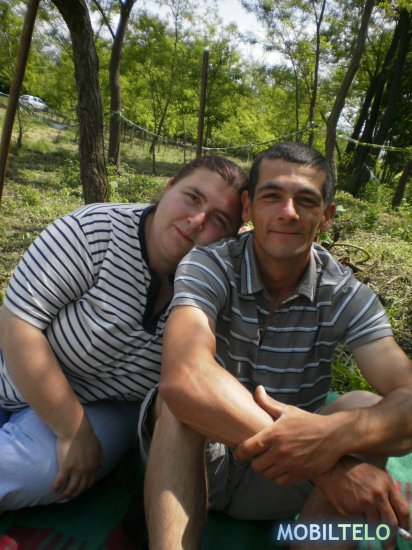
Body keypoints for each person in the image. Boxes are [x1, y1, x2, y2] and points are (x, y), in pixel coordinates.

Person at [142, 141, 412, 549]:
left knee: (362, 406)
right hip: (202, 456)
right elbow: (184, 376)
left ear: (326, 217)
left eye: (306, 201)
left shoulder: (344, 293)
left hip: (280, 481)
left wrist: (332, 436)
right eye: (272, 197)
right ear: (248, 207)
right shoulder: (211, 264)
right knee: (178, 404)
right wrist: (325, 467)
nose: (288, 212)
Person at [0, 155, 248, 511]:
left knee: (43, 472)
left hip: (108, 406)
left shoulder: (215, 285)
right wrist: (71, 429)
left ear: (230, 237)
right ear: (167, 189)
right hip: (14, 371)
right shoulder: (92, 231)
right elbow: (18, 324)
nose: (196, 221)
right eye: (192, 198)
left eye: (218, 219)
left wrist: (80, 435)